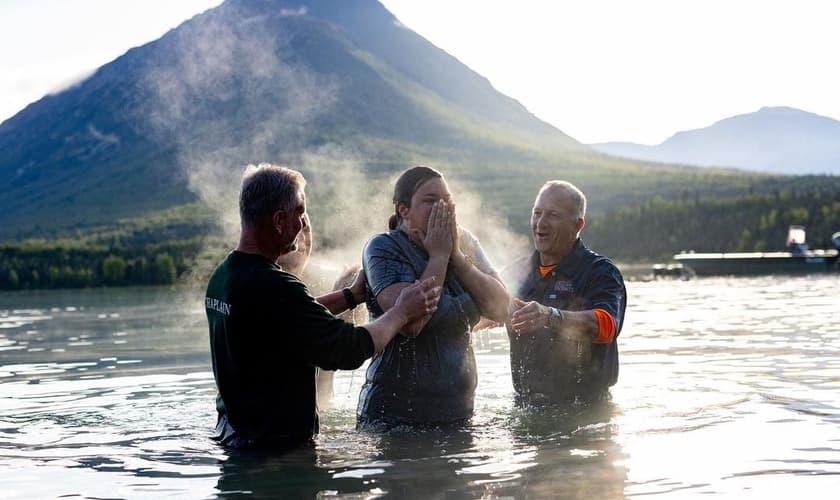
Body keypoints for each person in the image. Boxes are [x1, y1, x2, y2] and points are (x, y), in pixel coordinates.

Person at [204, 163, 441, 450]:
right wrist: (401, 312)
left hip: (233, 434)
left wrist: (351, 295)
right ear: (279, 220)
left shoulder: (225, 275)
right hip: (275, 451)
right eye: (299, 214)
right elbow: (349, 348)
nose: (302, 226)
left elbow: (289, 319)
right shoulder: (275, 286)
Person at [357, 166, 509, 428]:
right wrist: (439, 257)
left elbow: (501, 308)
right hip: (395, 420)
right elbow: (411, 325)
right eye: (430, 201)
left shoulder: (464, 242)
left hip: (458, 414)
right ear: (403, 209)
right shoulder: (383, 247)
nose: (443, 208)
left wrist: (458, 259)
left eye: (447, 201)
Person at [507, 180, 626, 403]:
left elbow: (607, 325)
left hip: (584, 409)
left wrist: (550, 316)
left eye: (553, 215)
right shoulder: (516, 271)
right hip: (525, 406)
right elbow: (482, 309)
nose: (541, 223)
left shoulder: (600, 272)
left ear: (578, 224)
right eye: (537, 213)